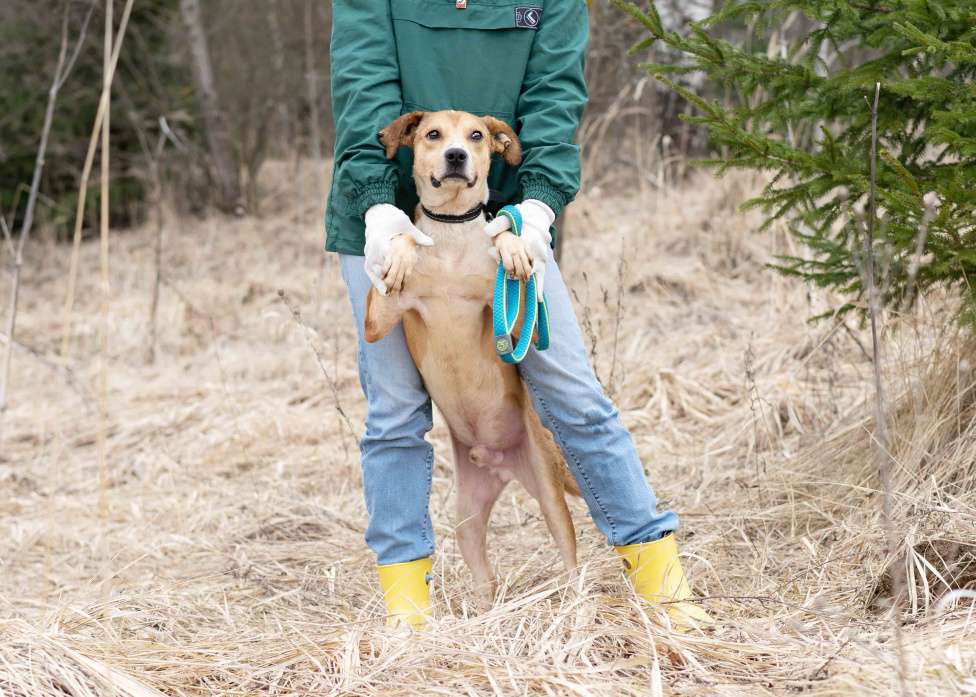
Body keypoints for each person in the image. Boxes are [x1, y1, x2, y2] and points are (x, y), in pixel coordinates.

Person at [326, 0, 709, 628]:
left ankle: (664, 588)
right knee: (394, 413)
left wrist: (537, 211)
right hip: (387, 224)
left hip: (503, 229)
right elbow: (363, 91)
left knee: (576, 397)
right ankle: (408, 612)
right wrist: (376, 204)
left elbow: (554, 104)